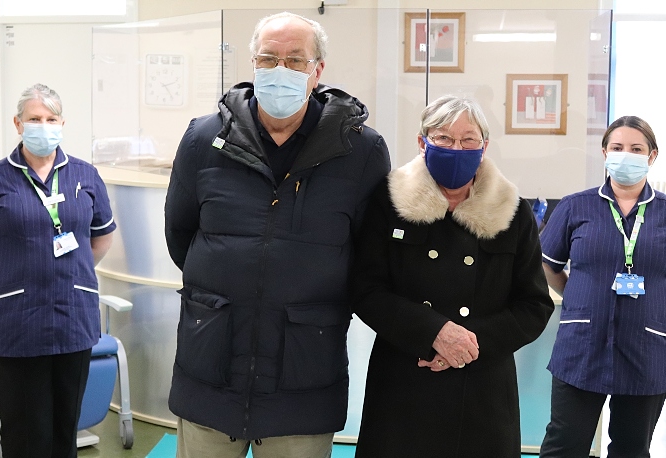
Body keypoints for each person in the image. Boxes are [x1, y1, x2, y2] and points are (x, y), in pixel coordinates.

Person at [163, 11, 390, 458]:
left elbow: (371, 254)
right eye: (268, 59)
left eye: (295, 60)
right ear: (252, 64)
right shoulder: (204, 139)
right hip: (212, 364)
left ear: (318, 70)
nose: (280, 71)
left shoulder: (360, 150)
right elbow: (181, 237)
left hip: (302, 373)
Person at [351, 95, 554, 457]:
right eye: (443, 138)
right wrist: (434, 333)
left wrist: (466, 344)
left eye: (468, 139)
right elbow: (366, 289)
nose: (456, 148)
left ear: (484, 146)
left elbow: (534, 305)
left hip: (481, 389)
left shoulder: (513, 212)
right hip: (404, 382)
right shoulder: (388, 202)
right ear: (422, 142)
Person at [0, 83, 116, 458]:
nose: (43, 126)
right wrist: (4, 285)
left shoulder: (85, 175)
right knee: (24, 436)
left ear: (63, 123)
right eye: (34, 119)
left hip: (72, 320)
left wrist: (69, 277)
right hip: (15, 325)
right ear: (18, 124)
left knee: (65, 432)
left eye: (51, 119)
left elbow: (100, 239)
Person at [539, 116, 666, 458]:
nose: (626, 155)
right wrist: (577, 298)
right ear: (605, 152)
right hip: (582, 346)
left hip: (647, 350)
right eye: (618, 147)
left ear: (652, 155)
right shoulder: (576, 206)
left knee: (632, 448)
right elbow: (548, 264)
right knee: (564, 446)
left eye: (636, 149)